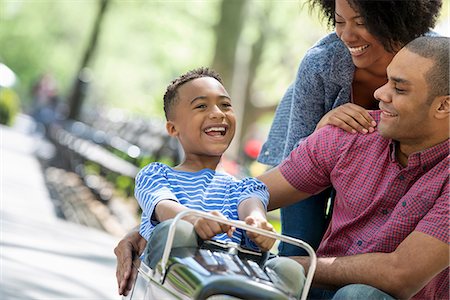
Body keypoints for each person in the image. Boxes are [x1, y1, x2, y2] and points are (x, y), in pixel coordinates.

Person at [115, 36, 449, 299]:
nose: (379, 94)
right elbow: (234, 198)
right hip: (313, 291)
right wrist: (155, 225)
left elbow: (401, 274)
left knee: (360, 295)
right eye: (387, 81)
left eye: (399, 88)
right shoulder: (353, 135)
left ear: (444, 105)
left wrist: (288, 264)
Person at [257, 0, 443, 256]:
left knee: (362, 253)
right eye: (339, 22)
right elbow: (297, 163)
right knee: (298, 245)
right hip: (313, 149)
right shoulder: (322, 62)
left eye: (361, 22)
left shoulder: (430, 58)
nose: (347, 35)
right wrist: (322, 131)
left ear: (394, 18)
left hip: (384, 171)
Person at [132, 67, 305, 298]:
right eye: (201, 106)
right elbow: (164, 207)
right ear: (173, 128)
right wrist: (195, 219)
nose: (218, 113)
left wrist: (257, 223)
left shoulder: (243, 186)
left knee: (289, 269)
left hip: (237, 275)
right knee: (178, 230)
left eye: (225, 105)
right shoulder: (156, 175)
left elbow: (252, 205)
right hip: (174, 281)